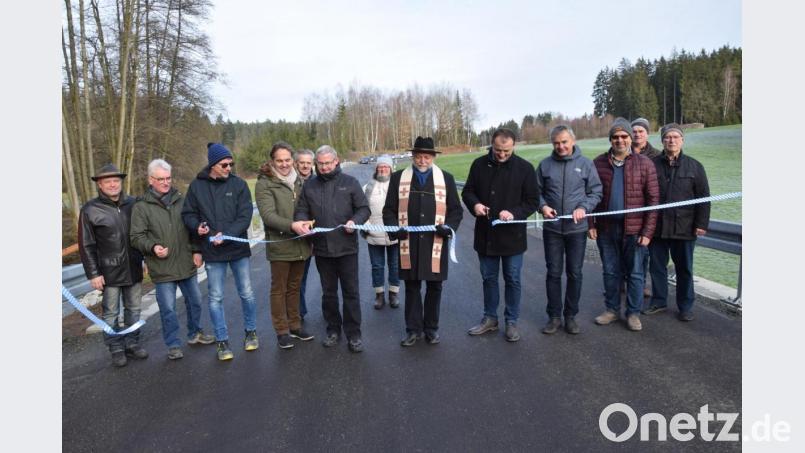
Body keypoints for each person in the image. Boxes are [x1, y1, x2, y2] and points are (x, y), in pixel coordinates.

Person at [130, 159, 215, 360]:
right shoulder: (141, 207)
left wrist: (197, 250)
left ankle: (195, 334)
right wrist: (152, 247)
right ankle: (173, 344)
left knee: (195, 301)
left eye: (168, 178)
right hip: (162, 266)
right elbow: (136, 237)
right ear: (151, 180)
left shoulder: (182, 199)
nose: (166, 182)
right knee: (168, 309)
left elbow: (192, 226)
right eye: (161, 179)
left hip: (185, 261)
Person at [383, 137, 463, 347]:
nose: (422, 160)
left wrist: (449, 228)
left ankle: (431, 329)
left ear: (433, 157)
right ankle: (412, 329)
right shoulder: (398, 178)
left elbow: (456, 210)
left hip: (435, 243)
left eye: (426, 156)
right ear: (412, 156)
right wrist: (394, 230)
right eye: (418, 156)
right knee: (411, 288)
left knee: (434, 288)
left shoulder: (445, 179)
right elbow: (389, 210)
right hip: (408, 243)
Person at [181, 143, 258, 361]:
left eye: (231, 164)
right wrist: (198, 227)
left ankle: (251, 332)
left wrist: (226, 234)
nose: (229, 168)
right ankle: (222, 341)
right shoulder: (196, 187)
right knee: (215, 297)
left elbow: (245, 216)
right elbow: (188, 214)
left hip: (237, 248)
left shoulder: (240, 184)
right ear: (213, 165)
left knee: (247, 293)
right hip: (212, 252)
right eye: (224, 164)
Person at [462, 128, 539, 342]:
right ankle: (490, 318)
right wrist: (475, 204)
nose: (502, 154)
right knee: (489, 278)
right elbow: (467, 191)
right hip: (486, 235)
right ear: (492, 145)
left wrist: (514, 212)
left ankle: (511, 321)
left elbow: (532, 201)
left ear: (514, 145)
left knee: (512, 279)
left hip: (512, 236)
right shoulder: (479, 164)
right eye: (497, 150)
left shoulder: (524, 168)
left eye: (506, 150)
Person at [292, 145, 370, 353]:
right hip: (323, 249)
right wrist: (301, 222)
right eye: (321, 163)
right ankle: (333, 330)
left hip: (347, 249)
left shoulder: (350, 183)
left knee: (351, 293)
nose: (324, 167)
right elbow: (301, 210)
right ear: (316, 163)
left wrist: (355, 220)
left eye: (328, 163)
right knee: (329, 293)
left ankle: (354, 334)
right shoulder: (310, 186)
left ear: (336, 161)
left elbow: (364, 208)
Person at [589, 118, 659, 331]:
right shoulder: (598, 163)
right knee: (610, 272)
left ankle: (633, 313)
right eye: (615, 137)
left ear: (630, 139)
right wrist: (591, 223)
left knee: (636, 273)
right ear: (610, 139)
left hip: (635, 231)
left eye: (624, 136)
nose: (620, 140)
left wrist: (647, 232)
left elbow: (653, 200)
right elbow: (590, 196)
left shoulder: (645, 164)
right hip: (606, 230)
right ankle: (611, 310)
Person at [78, 163, 147, 367]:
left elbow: (140, 234)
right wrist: (93, 273)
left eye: (115, 181)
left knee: (134, 308)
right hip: (108, 271)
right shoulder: (90, 210)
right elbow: (86, 244)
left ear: (121, 182)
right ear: (100, 185)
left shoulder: (133, 204)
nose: (112, 185)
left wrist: (144, 259)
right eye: (107, 181)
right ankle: (116, 348)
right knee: (110, 313)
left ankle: (132, 343)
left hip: (133, 266)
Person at [536, 125, 603, 335]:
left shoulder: (585, 164)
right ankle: (554, 316)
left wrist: (584, 208)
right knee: (553, 273)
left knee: (575, 273)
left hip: (577, 230)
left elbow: (596, 192)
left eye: (564, 142)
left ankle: (570, 316)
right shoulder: (545, 165)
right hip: (553, 230)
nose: (560, 146)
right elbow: (535, 193)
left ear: (572, 141)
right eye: (556, 143)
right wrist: (543, 206)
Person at [644, 123, 711, 321]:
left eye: (675, 137)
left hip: (685, 228)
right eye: (667, 137)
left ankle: (685, 306)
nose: (671, 140)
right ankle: (658, 301)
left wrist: (701, 224)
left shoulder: (695, 166)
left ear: (682, 140)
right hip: (657, 229)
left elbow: (704, 198)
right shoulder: (652, 165)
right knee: (657, 268)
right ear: (662, 140)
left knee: (685, 270)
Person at [255, 142, 315, 349]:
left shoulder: (300, 181)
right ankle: (282, 331)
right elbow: (268, 216)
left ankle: (296, 326)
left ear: (293, 160)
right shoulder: (265, 183)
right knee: (279, 289)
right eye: (279, 160)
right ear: (272, 161)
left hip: (302, 245)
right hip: (280, 245)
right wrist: (293, 226)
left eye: (287, 160)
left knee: (295, 287)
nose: (284, 164)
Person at [361, 155, 400, 310]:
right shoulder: (367, 188)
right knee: (377, 265)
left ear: (391, 168)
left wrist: (399, 227)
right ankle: (379, 295)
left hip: (394, 233)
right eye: (380, 167)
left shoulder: (397, 186)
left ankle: (393, 293)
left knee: (395, 265)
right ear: (376, 168)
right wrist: (367, 226)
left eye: (385, 166)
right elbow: (361, 209)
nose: (382, 169)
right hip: (374, 233)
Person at [631, 117, 660, 299]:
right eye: (634, 131)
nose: (637, 134)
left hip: (647, 212)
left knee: (644, 253)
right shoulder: (622, 152)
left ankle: (640, 284)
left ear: (647, 134)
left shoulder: (657, 156)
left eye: (641, 131)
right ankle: (623, 282)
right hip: (628, 210)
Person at [294, 149, 315, 321]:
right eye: (302, 162)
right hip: (297, 236)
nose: (305, 165)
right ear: (296, 163)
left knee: (328, 279)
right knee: (300, 278)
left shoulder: (318, 181)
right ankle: (299, 313)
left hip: (318, 237)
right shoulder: (290, 182)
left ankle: (331, 312)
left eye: (309, 162)